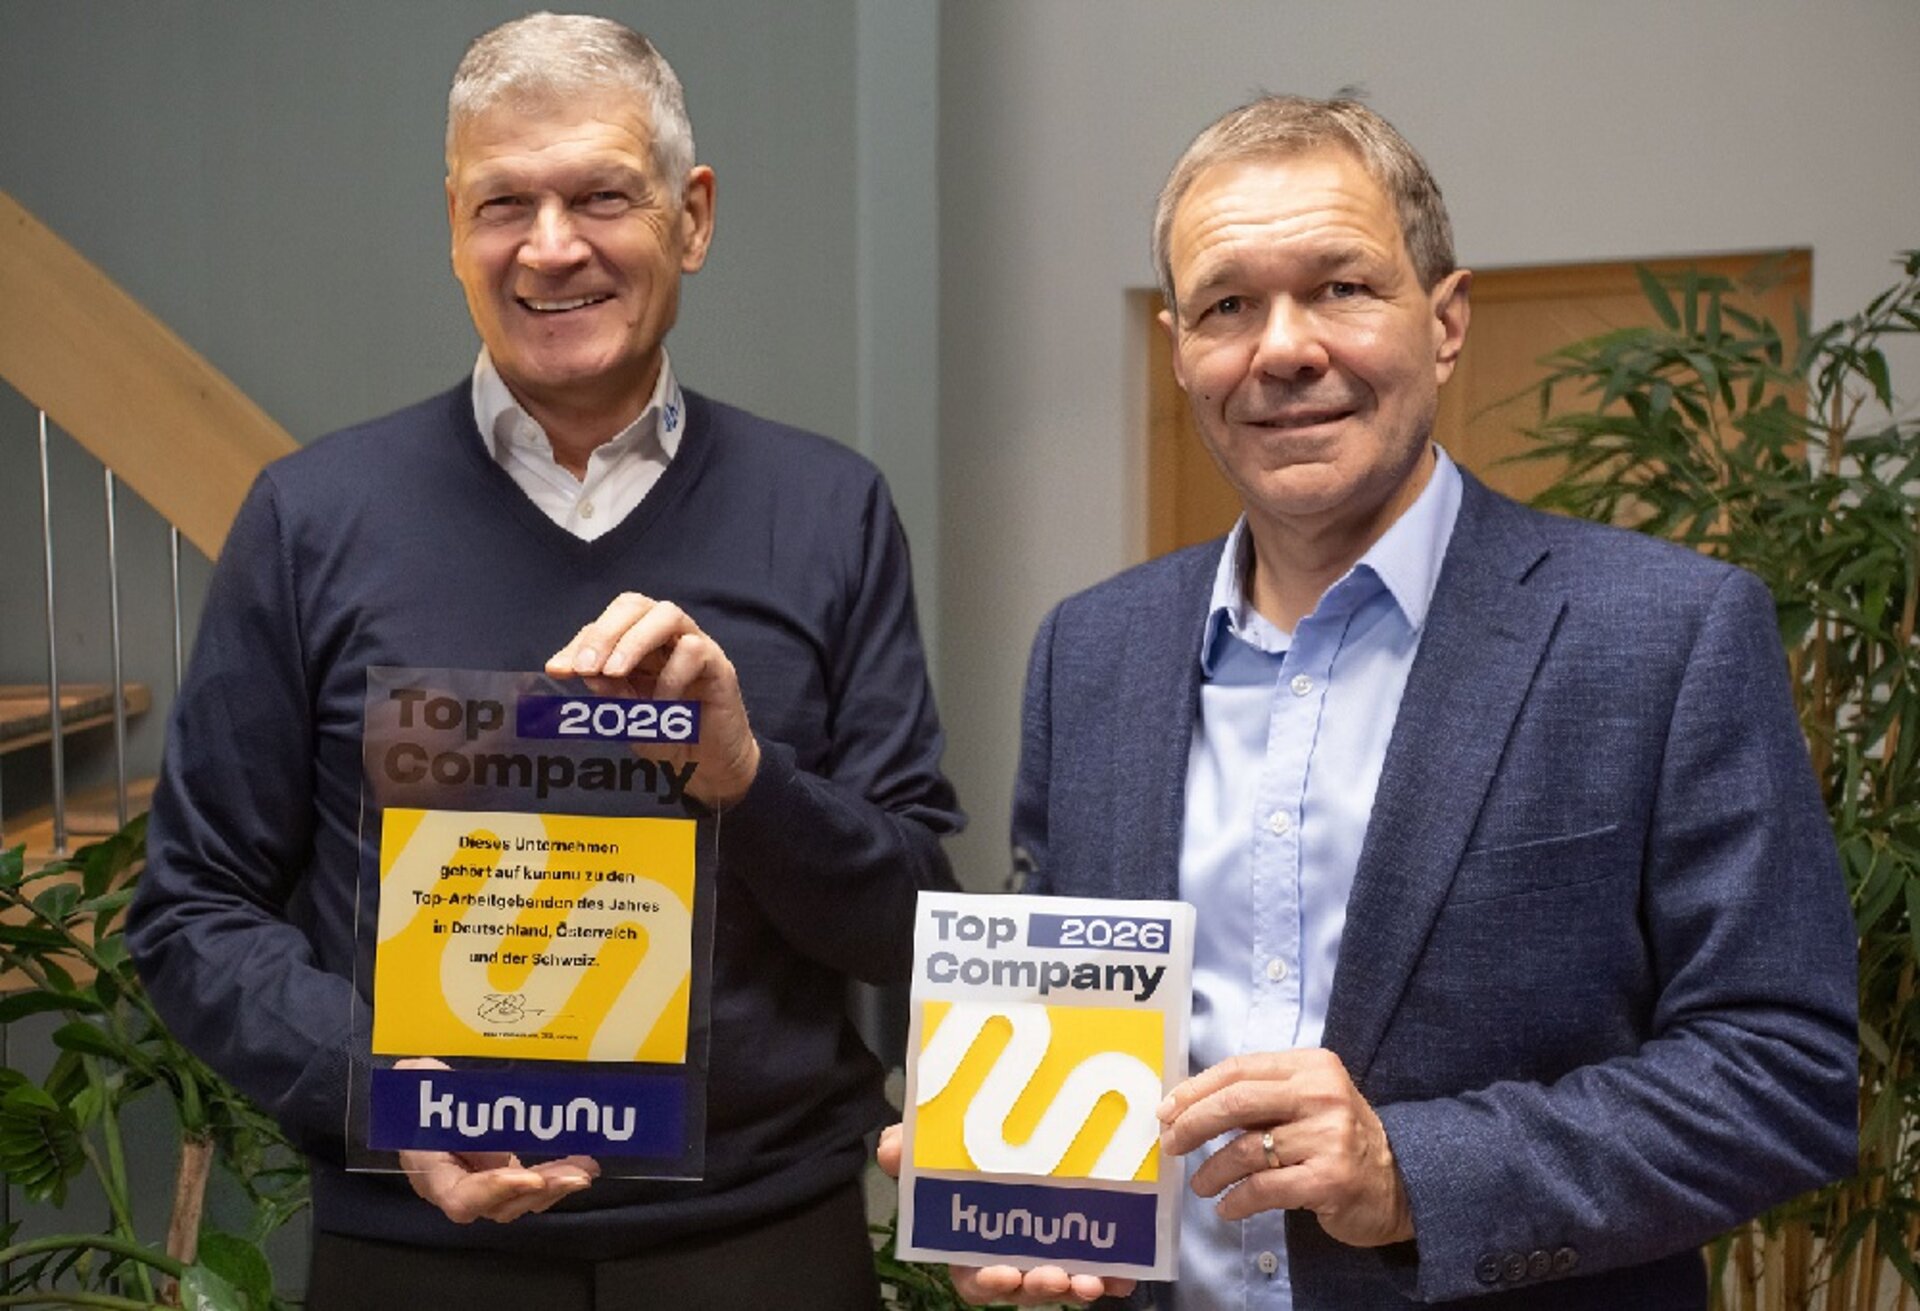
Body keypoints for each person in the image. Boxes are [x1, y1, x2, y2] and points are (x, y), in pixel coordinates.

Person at [884, 94, 1856, 1309]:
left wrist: (1412, 1172)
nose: (1284, 347)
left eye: (1341, 287)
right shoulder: (1093, 651)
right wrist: (1008, 1156)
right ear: (1181, 347)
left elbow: (1785, 1076)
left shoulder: (1660, 637)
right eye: (1230, 304)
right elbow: (1069, 1009)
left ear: (1445, 323)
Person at [127, 13, 961, 1310]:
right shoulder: (310, 518)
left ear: (692, 216)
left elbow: (913, 919)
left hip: (759, 1240)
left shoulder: (830, 508)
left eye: (600, 196)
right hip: (418, 1248)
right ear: (451, 224)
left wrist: (747, 774)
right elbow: (190, 906)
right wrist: (390, 1089)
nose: (551, 245)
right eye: (502, 202)